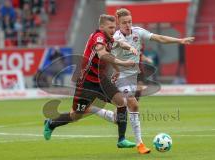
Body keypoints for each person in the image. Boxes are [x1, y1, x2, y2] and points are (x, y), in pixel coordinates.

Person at [89, 8, 195, 154]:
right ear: (118, 24)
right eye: (124, 23)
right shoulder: (115, 39)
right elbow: (108, 57)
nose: (128, 25)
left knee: (118, 117)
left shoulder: (138, 32)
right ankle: (140, 144)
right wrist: (117, 70)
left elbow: (159, 38)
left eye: (130, 22)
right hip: (121, 78)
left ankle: (92, 109)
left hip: (134, 76)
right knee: (134, 104)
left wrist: (180, 40)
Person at [43, 14, 138, 148]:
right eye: (110, 27)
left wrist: (127, 49)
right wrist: (123, 63)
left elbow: (117, 43)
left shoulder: (109, 38)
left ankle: (121, 139)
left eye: (114, 27)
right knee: (75, 115)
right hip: (86, 83)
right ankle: (51, 123)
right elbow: (103, 54)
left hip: (102, 80)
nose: (113, 30)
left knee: (121, 102)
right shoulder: (98, 37)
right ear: (102, 27)